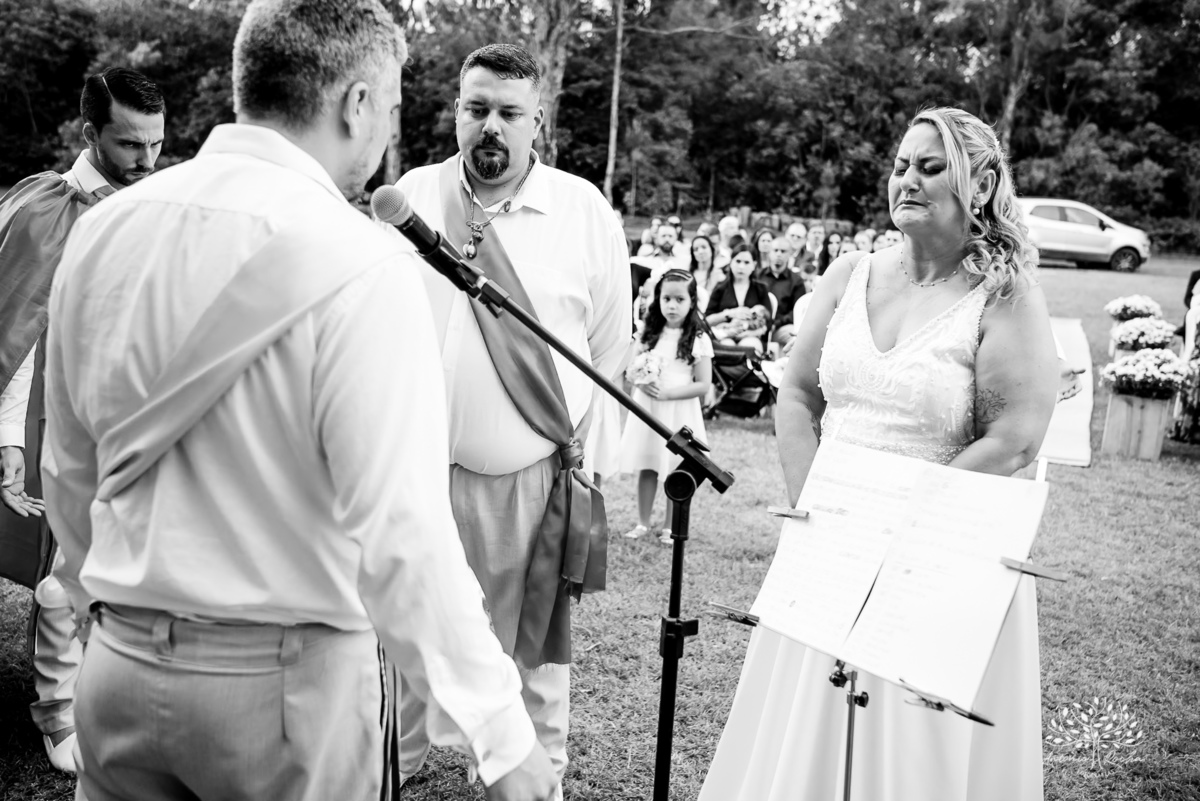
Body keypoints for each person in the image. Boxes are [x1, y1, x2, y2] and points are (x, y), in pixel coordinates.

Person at [43, 4, 558, 800]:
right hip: (285, 692)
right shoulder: (364, 261)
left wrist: (108, 605)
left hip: (117, 670)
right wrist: (500, 731)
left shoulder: (104, 230)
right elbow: (403, 530)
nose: (390, 126)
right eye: (389, 106)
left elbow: (70, 469)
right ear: (355, 103)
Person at [699, 106, 1058, 801]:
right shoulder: (848, 272)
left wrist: (901, 530)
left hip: (940, 554)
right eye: (901, 166)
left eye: (931, 168)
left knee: (906, 757)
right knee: (803, 737)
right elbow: (797, 395)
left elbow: (1015, 439)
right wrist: (820, 513)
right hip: (832, 547)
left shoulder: (1006, 294)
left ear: (980, 184)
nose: (908, 181)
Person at [391, 43, 630, 798]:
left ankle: (532, 780)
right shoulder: (413, 197)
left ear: (539, 123)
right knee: (401, 636)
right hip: (419, 470)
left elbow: (608, 349)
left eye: (509, 113)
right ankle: (389, 767)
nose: (489, 126)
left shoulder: (583, 211)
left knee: (534, 653)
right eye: (476, 108)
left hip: (533, 478)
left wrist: (587, 461)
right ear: (456, 112)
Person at [0, 65, 165, 775]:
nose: (148, 161)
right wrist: (9, 436)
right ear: (90, 131)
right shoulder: (45, 207)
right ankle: (57, 707)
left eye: (157, 143)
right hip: (49, 416)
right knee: (61, 563)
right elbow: (18, 330)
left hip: (132, 410)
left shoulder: (158, 203)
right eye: (130, 145)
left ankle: (111, 693)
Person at [619, 269, 713, 544]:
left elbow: (703, 384)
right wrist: (640, 380)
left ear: (692, 301)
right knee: (648, 463)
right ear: (657, 299)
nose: (672, 305)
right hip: (649, 406)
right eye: (666, 298)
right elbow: (629, 370)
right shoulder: (648, 333)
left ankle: (670, 527)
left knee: (675, 468)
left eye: (679, 299)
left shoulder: (698, 338)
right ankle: (642, 522)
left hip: (679, 409)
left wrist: (669, 394)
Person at [705, 243, 774, 352]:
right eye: (738, 261)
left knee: (749, 346)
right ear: (731, 262)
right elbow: (706, 321)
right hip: (724, 335)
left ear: (754, 265)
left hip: (752, 335)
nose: (741, 266)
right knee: (727, 346)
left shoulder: (761, 289)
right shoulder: (720, 288)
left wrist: (751, 332)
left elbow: (768, 321)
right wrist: (729, 314)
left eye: (746, 262)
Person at [757, 237, 806, 350]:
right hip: (757, 326)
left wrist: (776, 323)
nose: (779, 254)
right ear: (769, 253)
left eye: (783, 251)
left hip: (780, 328)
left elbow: (797, 311)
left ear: (789, 254)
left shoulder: (796, 281)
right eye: (775, 250)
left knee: (796, 338)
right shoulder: (758, 276)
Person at [687, 232, 723, 309]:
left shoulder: (719, 275)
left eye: (704, 247)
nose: (700, 252)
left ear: (711, 249)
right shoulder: (687, 275)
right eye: (696, 249)